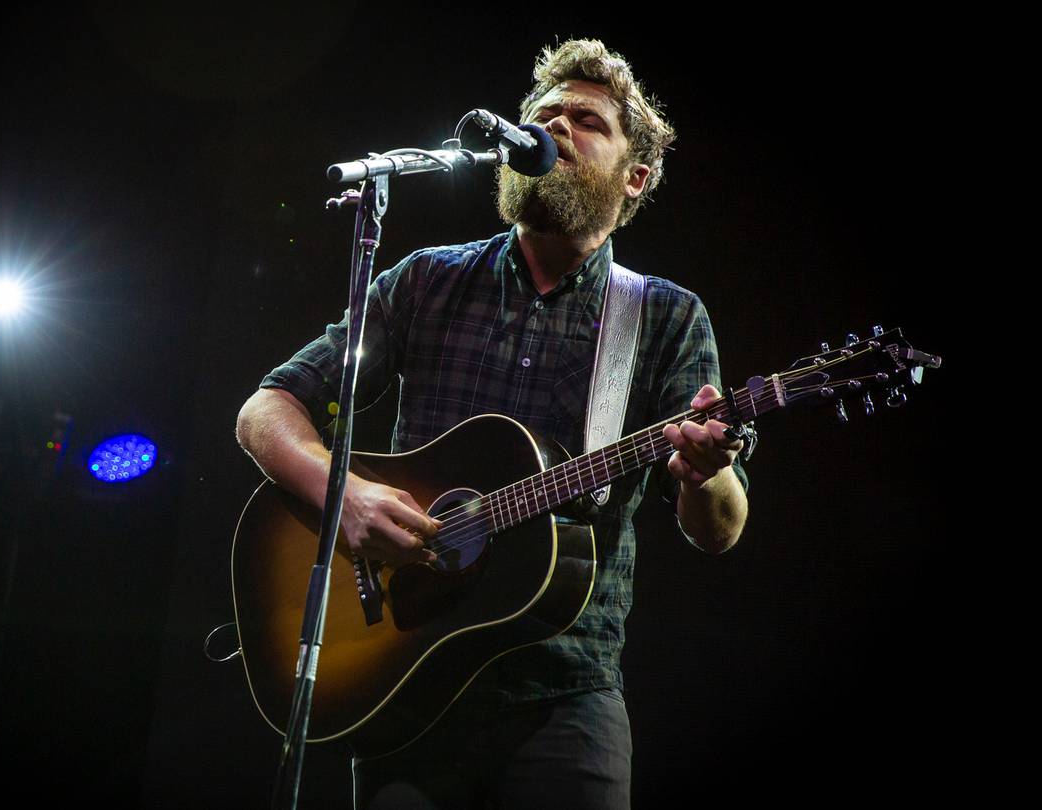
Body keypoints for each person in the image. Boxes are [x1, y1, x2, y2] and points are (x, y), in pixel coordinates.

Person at [235, 38, 748, 809]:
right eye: (542, 115)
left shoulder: (664, 317)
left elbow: (721, 529)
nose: (554, 127)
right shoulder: (426, 280)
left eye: (585, 120)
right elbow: (265, 409)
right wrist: (343, 498)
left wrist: (703, 472)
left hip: (564, 698)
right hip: (403, 685)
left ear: (634, 176)